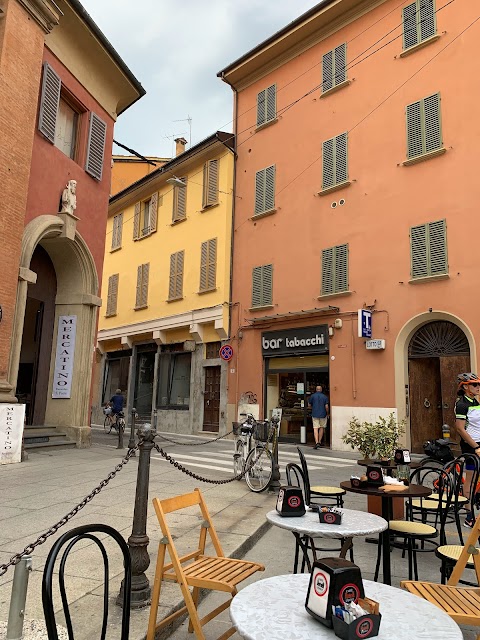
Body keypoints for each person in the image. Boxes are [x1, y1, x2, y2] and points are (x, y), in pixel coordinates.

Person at [455, 372, 480, 528]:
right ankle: (469, 516)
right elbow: (460, 428)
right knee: (470, 481)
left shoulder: (475, 401)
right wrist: (475, 447)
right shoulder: (462, 404)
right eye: (475, 384)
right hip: (472, 446)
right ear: (465, 387)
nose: (478, 387)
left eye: (479, 384)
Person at [308, 385, 329, 449]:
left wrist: (312, 408)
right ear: (321, 390)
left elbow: (309, 405)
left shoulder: (312, 396)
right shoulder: (325, 397)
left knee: (315, 428)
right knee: (322, 428)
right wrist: (327, 413)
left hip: (314, 414)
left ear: (316, 389)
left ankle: (316, 442)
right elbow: (326, 407)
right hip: (323, 414)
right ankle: (319, 441)